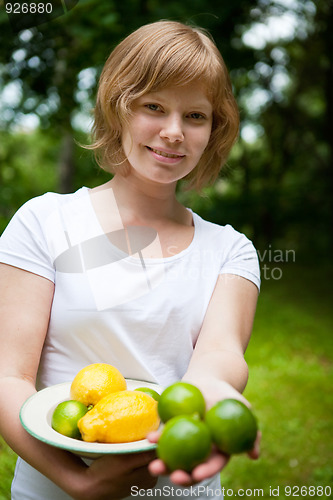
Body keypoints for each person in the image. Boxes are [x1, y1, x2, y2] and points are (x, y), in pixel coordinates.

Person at [0, 20, 261, 500]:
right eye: (154, 107)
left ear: (213, 129)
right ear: (118, 107)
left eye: (196, 116)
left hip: (181, 488)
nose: (173, 132)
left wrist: (216, 391)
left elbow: (221, 354)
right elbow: (8, 377)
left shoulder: (230, 250)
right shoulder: (43, 222)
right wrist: (79, 481)